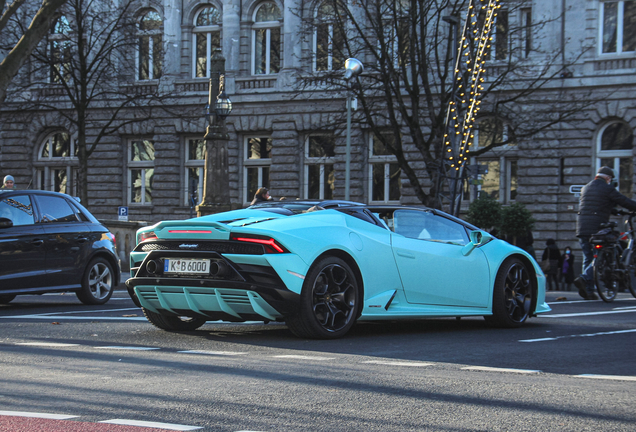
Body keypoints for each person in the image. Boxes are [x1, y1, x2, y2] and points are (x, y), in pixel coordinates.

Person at [574, 166, 636, 300]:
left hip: (582, 227)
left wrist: (614, 211)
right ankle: (585, 278)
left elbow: (598, 205)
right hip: (598, 228)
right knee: (606, 251)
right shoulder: (607, 188)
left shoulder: (586, 188)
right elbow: (624, 201)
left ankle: (589, 291)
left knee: (588, 257)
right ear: (608, 178)